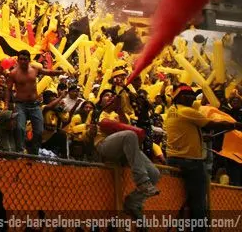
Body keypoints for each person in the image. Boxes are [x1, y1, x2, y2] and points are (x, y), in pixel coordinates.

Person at [165, 84, 242, 229]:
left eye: (193, 96)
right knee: (199, 202)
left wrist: (201, 136)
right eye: (189, 95)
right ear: (180, 97)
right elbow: (212, 124)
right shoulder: (188, 111)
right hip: (191, 162)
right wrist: (234, 125)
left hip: (173, 159)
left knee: (179, 199)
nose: (192, 98)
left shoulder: (171, 110)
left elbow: (187, 129)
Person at [93, 89, 160, 218]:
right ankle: (142, 181)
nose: (110, 97)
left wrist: (119, 109)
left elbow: (128, 128)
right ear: (100, 100)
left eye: (112, 95)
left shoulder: (120, 114)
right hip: (104, 145)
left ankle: (133, 201)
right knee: (129, 135)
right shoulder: (96, 112)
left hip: (124, 148)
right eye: (106, 95)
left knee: (154, 173)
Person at [6, 49, 66, 155]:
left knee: (39, 131)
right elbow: (8, 89)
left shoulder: (35, 68)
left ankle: (34, 152)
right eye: (21, 59)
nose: (23, 61)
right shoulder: (13, 73)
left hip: (34, 105)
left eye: (25, 59)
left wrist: (59, 72)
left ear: (29, 60)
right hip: (21, 105)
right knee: (20, 128)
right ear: (18, 60)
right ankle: (20, 152)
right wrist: (8, 104)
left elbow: (48, 72)